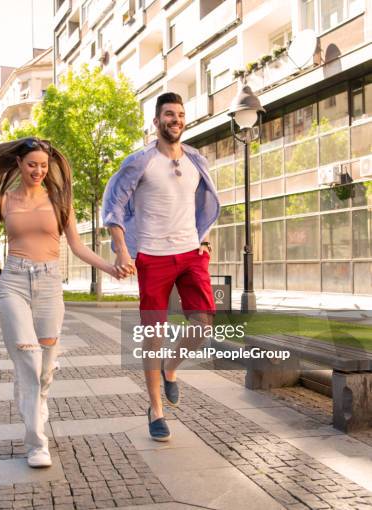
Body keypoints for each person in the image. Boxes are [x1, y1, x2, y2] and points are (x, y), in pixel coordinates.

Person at [0, 137, 121, 468]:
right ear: (19, 164)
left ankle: (37, 397)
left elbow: (77, 246)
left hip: (49, 283)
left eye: (43, 166)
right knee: (29, 362)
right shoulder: (2, 200)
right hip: (14, 283)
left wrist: (111, 267)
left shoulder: (60, 201)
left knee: (44, 369)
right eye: (32, 164)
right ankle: (36, 442)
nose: (38, 171)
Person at [102, 92, 220, 441]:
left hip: (190, 253)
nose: (176, 120)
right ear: (156, 121)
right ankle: (156, 410)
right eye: (169, 114)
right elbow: (114, 206)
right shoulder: (140, 161)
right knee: (153, 336)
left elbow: (203, 202)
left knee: (203, 322)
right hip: (152, 257)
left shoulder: (197, 160)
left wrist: (203, 235)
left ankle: (171, 369)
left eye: (181, 114)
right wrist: (122, 250)